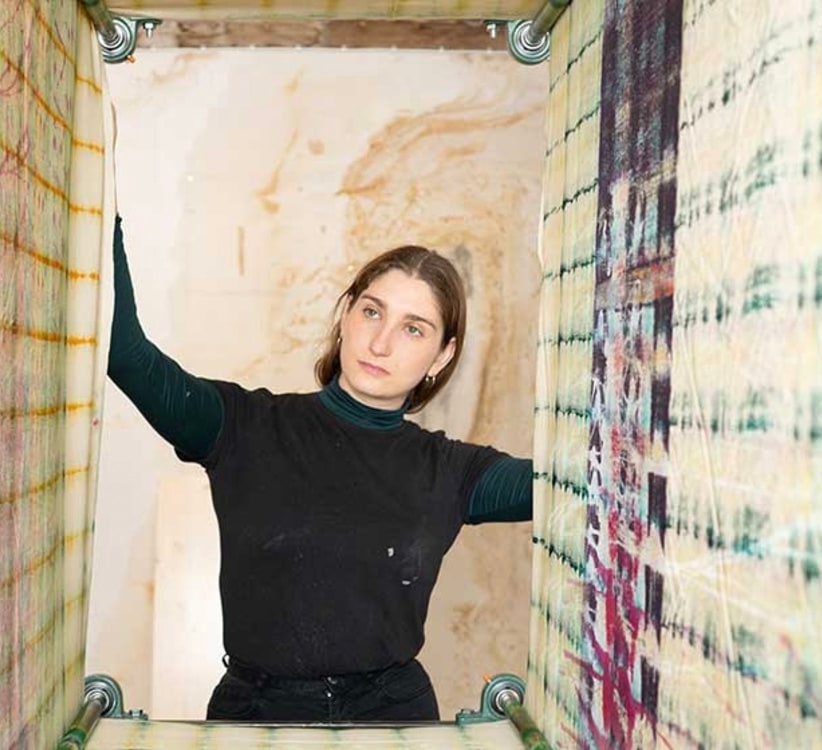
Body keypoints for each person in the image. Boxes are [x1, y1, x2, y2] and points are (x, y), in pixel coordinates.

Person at [106, 215, 532, 723]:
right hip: (256, 718)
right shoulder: (243, 427)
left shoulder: (453, 471)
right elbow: (124, 353)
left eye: (413, 328)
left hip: (393, 722)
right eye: (372, 312)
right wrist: (101, 204)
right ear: (346, 315)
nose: (381, 342)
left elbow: (587, 482)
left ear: (442, 356)